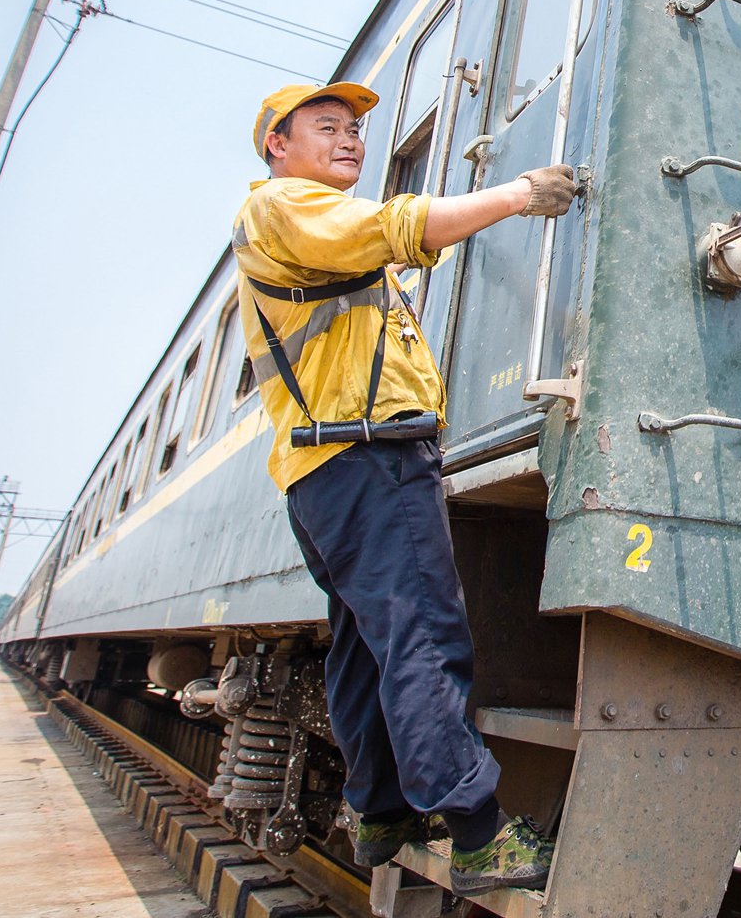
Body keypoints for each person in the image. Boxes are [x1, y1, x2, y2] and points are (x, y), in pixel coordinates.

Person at [232, 82, 576, 897]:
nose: (350, 139)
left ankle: (382, 813)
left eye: (355, 129)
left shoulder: (310, 234)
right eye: (327, 127)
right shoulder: (285, 206)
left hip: (329, 472)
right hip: (368, 461)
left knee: (364, 644)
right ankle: (479, 833)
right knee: (424, 637)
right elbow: (399, 225)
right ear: (278, 145)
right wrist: (522, 193)